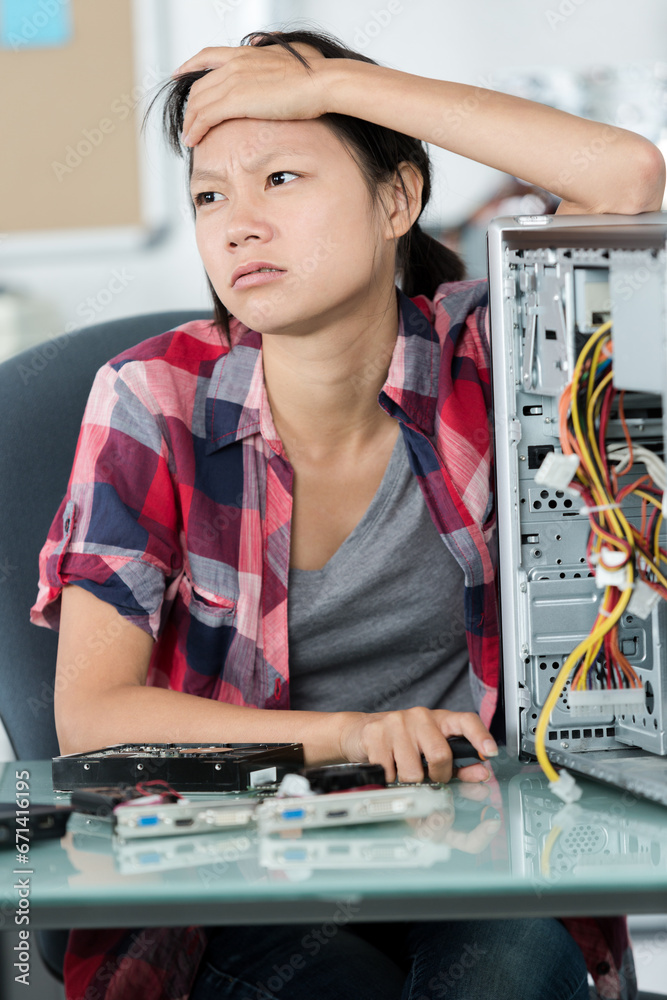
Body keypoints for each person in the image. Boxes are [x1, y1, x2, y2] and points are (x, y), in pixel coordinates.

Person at [31, 27, 664, 1000]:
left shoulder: (487, 360)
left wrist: (329, 81)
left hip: (470, 851)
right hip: (231, 869)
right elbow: (92, 717)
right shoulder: (151, 397)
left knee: (508, 969)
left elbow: (623, 178)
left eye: (281, 176)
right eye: (209, 193)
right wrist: (357, 737)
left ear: (397, 199)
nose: (238, 221)